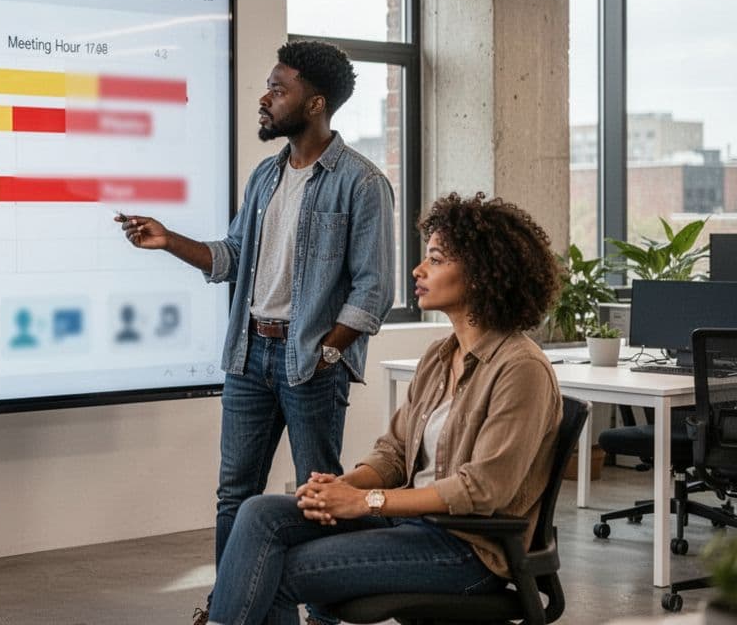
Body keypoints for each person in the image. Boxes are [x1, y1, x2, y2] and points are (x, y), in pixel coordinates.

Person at [115, 40, 394, 622]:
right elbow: (233, 257)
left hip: (308, 363)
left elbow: (373, 288)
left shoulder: (361, 184)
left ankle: (323, 612)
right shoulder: (266, 177)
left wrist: (327, 352)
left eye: (278, 88)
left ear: (315, 103)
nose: (265, 99)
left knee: (317, 498)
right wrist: (169, 240)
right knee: (233, 497)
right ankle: (232, 608)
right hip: (249, 356)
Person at [206, 193, 564, 625]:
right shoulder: (438, 356)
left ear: (481, 275)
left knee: (280, 570)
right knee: (258, 512)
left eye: (435, 259)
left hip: (466, 550)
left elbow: (482, 491)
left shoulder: (521, 369)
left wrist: (365, 502)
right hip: (410, 528)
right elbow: (394, 453)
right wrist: (341, 488)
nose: (418, 270)